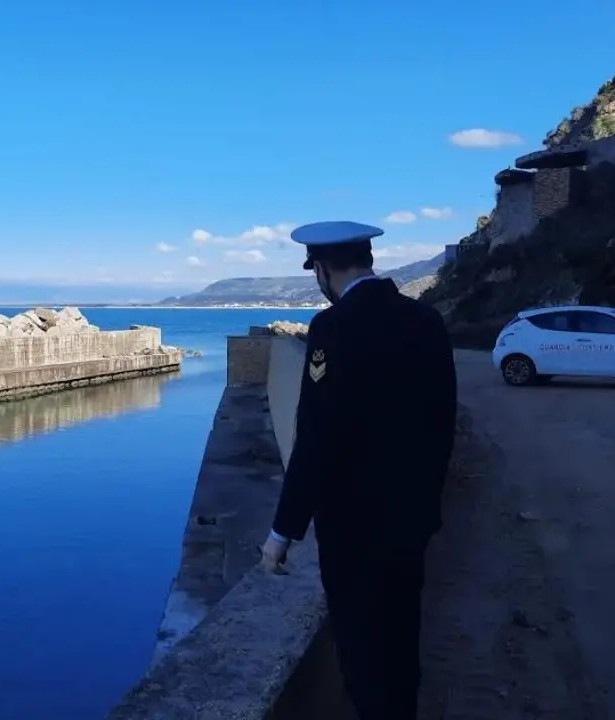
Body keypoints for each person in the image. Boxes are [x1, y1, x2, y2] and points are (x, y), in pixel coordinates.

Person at [259, 220, 457, 719]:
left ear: (322, 271)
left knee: (363, 652)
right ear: (368, 260)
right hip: (412, 519)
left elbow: (318, 437)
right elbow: (443, 420)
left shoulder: (333, 328)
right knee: (401, 645)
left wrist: (284, 530)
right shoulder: (426, 321)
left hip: (355, 528)